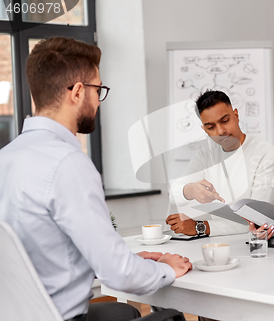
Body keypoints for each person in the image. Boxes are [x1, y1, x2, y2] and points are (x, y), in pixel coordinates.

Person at [0, 37, 192, 321]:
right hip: (63, 317)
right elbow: (122, 276)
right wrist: (166, 267)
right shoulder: (68, 164)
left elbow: (40, 253)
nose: (99, 101)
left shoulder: (6, 157)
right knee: (172, 316)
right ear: (77, 92)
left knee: (123, 311)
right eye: (98, 89)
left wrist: (126, 262)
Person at [166, 90, 274, 237]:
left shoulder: (267, 154)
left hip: (259, 245)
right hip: (219, 243)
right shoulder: (205, 155)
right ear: (205, 130)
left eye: (225, 120)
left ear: (236, 115)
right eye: (211, 127)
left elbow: (257, 220)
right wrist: (191, 190)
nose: (220, 131)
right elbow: (173, 193)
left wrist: (201, 227)